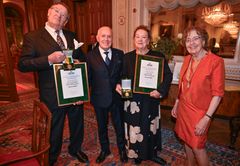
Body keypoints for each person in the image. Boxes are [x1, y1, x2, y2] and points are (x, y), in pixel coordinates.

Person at [18, 2, 88, 165]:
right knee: (54, 127)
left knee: (77, 122)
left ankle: (75, 148)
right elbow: (23, 65)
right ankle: (51, 156)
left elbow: (82, 59)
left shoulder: (72, 36)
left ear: (66, 20)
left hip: (74, 90)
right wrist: (48, 60)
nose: (59, 15)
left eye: (64, 15)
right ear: (49, 13)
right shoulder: (33, 37)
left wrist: (78, 63)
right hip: (52, 93)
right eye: (57, 11)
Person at [116, 25, 173, 165]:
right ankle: (137, 154)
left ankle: (151, 154)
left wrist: (160, 90)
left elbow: (167, 76)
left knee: (150, 127)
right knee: (135, 128)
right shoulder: (127, 57)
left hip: (150, 99)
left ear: (148, 40)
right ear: (134, 39)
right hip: (133, 101)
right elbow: (122, 76)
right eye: (137, 37)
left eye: (144, 37)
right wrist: (119, 85)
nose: (140, 40)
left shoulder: (157, 57)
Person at [171, 26, 225, 166]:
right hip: (184, 108)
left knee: (197, 146)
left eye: (196, 38)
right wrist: (177, 103)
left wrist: (206, 118)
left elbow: (218, 94)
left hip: (200, 112)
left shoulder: (215, 61)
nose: (192, 43)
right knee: (185, 139)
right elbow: (182, 84)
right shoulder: (187, 59)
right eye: (188, 40)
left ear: (203, 41)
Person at [86, 26, 128, 164]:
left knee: (119, 126)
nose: (106, 39)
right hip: (99, 99)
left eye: (109, 36)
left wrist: (121, 84)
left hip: (117, 99)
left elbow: (124, 75)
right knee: (102, 126)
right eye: (103, 36)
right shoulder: (90, 56)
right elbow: (88, 79)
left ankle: (122, 149)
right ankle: (105, 150)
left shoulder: (119, 54)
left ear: (112, 38)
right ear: (97, 38)